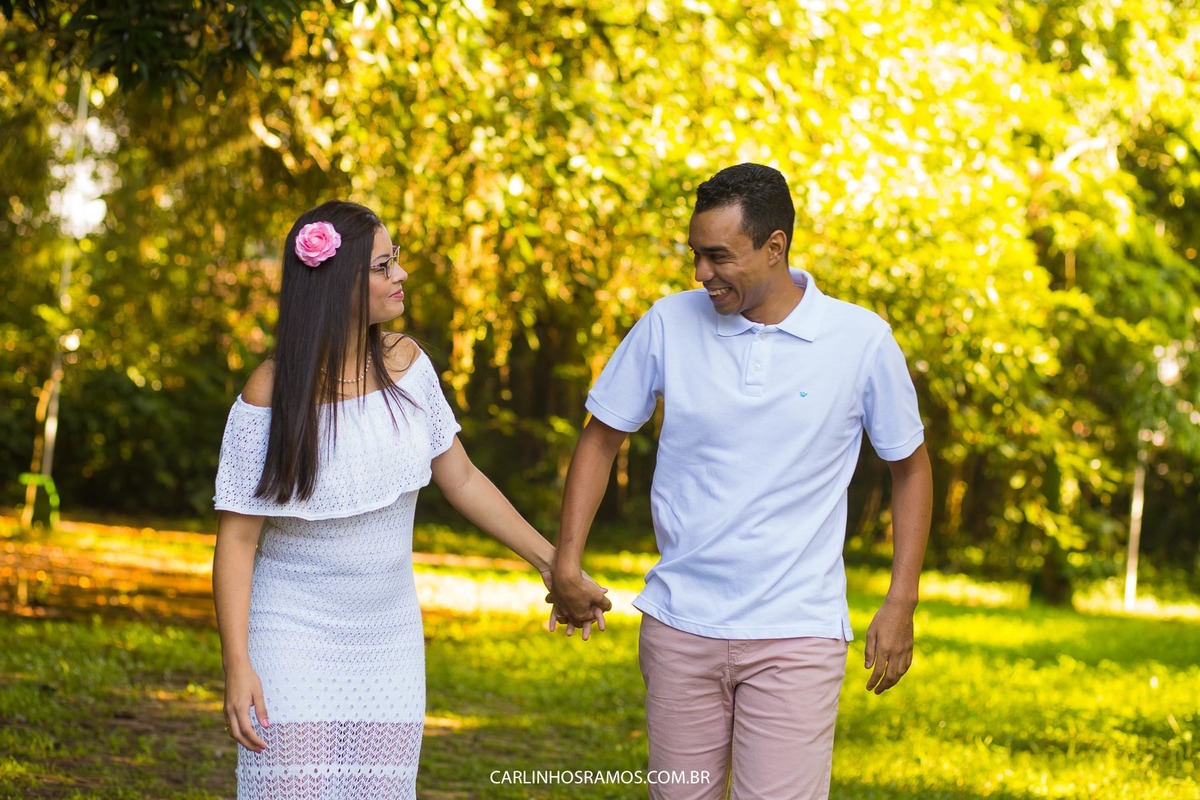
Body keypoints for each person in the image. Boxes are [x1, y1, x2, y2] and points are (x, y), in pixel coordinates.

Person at [551, 164, 933, 799]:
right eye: (696, 255)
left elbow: (911, 468)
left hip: (797, 632)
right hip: (680, 626)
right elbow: (601, 437)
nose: (701, 273)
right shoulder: (669, 322)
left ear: (775, 246)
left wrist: (902, 600)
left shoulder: (860, 340)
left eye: (718, 256)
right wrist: (567, 561)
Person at [211, 200, 609, 799]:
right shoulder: (271, 389)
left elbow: (463, 479)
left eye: (394, 261)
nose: (400, 276)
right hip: (290, 634)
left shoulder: (407, 364)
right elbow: (237, 541)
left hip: (388, 640)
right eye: (382, 265)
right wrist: (237, 664)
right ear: (338, 282)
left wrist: (554, 563)